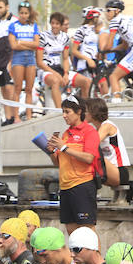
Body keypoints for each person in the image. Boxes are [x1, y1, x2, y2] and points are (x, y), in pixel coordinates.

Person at [47, 96, 99, 234]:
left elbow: (89, 158)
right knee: (71, 229)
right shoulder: (65, 134)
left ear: (79, 111)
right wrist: (52, 152)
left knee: (87, 231)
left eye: (67, 111)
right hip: (65, 187)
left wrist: (64, 148)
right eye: (63, 111)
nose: (64, 115)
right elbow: (58, 163)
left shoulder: (89, 131)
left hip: (82, 184)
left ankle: (96, 255)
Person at [8, 1, 40, 124]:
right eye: (21, 13)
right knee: (17, 87)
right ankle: (16, 117)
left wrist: (21, 42)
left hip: (30, 59)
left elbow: (37, 44)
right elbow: (13, 45)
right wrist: (29, 45)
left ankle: (29, 115)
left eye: (26, 13)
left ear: (29, 14)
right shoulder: (13, 26)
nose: (23, 15)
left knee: (29, 89)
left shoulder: (33, 25)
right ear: (18, 13)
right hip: (18, 59)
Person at [0, 0, 17, 123]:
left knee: (9, 88)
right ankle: (8, 118)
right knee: (2, 89)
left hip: (10, 57)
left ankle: (14, 116)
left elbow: (17, 43)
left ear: (7, 7)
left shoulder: (15, 21)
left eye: (0, 7)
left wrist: (12, 62)